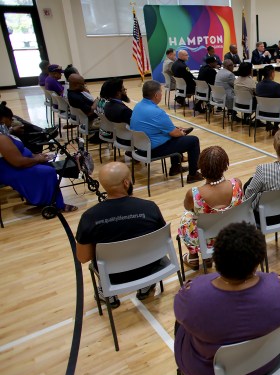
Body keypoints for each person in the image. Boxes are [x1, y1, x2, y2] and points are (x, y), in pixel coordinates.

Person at [174, 222, 280, 375]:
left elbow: (180, 314)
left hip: (213, 374)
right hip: (266, 361)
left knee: (182, 325)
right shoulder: (278, 287)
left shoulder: (193, 293)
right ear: (257, 262)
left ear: (216, 259)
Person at [75, 162, 165, 307]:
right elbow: (163, 240)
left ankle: (107, 294)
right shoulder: (149, 208)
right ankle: (146, 285)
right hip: (149, 267)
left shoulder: (89, 217)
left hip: (112, 275)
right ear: (126, 182)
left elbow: (83, 257)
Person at [0, 102, 76, 213]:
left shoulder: (5, 133)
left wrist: (36, 156)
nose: (11, 122)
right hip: (10, 170)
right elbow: (18, 162)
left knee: (46, 164)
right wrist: (37, 159)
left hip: (15, 164)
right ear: (2, 119)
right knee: (48, 171)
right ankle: (56, 205)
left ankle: (40, 199)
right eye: (10, 119)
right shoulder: (2, 138)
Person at [178, 146, 243, 270]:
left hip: (205, 239)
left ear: (201, 168)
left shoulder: (194, 194)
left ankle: (194, 256)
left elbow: (187, 207)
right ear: (225, 165)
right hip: (231, 232)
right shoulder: (237, 184)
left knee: (186, 217)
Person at [129, 80, 202, 183]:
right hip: (152, 150)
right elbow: (174, 133)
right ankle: (193, 175)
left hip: (140, 147)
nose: (161, 94)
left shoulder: (138, 106)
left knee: (175, 135)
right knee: (193, 141)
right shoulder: (157, 112)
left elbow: (157, 126)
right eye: (161, 92)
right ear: (156, 95)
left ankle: (175, 167)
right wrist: (181, 132)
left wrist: (175, 130)